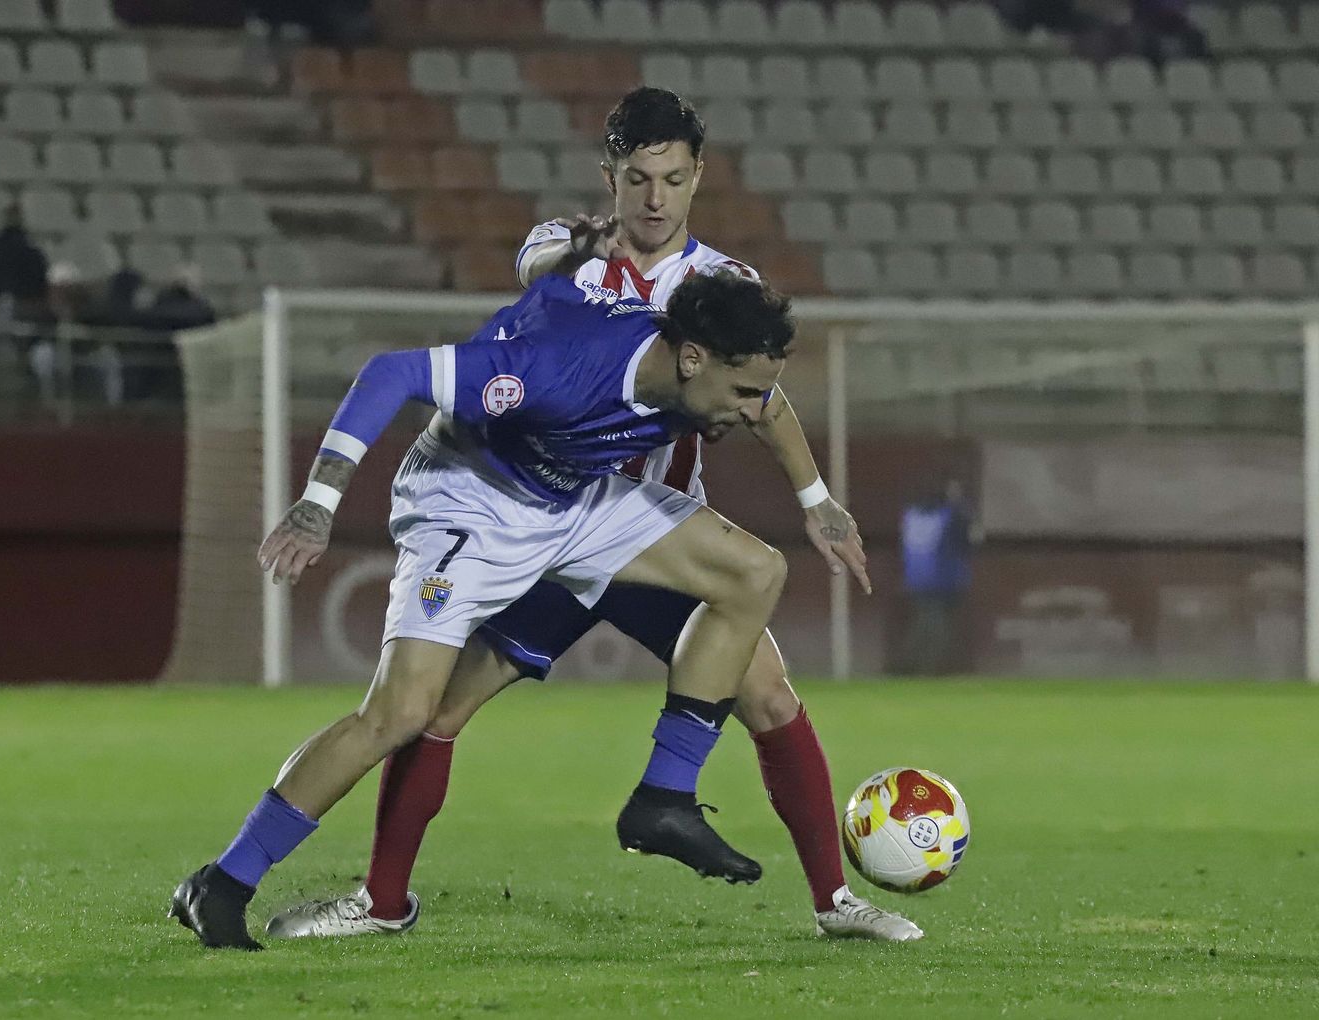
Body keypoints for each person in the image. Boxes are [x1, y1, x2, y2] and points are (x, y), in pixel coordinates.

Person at [265, 87, 921, 944]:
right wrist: (577, 251)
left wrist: (818, 502)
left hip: (657, 539)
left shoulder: (725, 287)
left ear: (697, 180)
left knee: (767, 693)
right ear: (610, 176)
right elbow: (544, 282)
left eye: (675, 180)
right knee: (438, 711)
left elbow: (766, 403)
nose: (656, 200)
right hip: (540, 528)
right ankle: (382, 901)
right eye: (640, 178)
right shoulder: (565, 251)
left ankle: (832, 900)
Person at [169, 269, 824, 950]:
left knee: (754, 571)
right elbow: (389, 373)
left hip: (572, 499)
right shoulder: (554, 372)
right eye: (747, 392)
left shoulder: (682, 366)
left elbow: (556, 290)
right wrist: (318, 502)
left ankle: (664, 798)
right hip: (470, 503)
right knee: (400, 715)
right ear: (693, 359)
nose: (756, 411)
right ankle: (223, 882)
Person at [898, 480, 977, 675]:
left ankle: (911, 666)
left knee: (924, 623)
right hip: (943, 580)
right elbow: (967, 541)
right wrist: (958, 502)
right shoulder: (949, 516)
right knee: (936, 628)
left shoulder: (911, 515)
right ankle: (922, 669)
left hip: (915, 579)